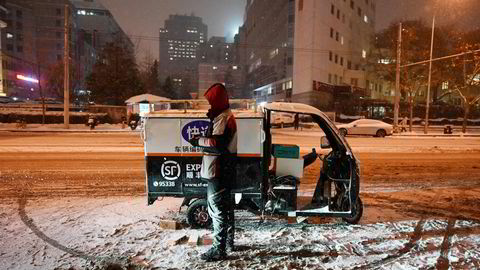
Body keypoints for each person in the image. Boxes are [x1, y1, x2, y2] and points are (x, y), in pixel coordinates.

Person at [189, 83, 237, 262]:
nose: (210, 105)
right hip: (222, 171)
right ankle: (228, 243)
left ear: (218, 101)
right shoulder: (223, 116)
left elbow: (218, 143)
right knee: (225, 209)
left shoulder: (224, 118)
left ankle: (219, 249)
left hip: (218, 171)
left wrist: (197, 141)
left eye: (211, 101)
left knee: (217, 210)